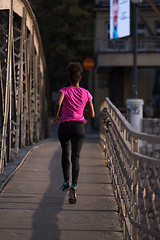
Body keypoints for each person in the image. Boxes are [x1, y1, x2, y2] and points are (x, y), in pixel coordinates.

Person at [53, 62, 95, 204]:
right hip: (78, 127)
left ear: (69, 77)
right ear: (80, 78)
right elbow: (92, 114)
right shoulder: (86, 93)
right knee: (76, 156)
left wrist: (56, 115)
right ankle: (74, 186)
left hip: (65, 126)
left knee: (65, 153)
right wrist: (82, 110)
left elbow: (59, 103)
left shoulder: (63, 90)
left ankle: (66, 182)